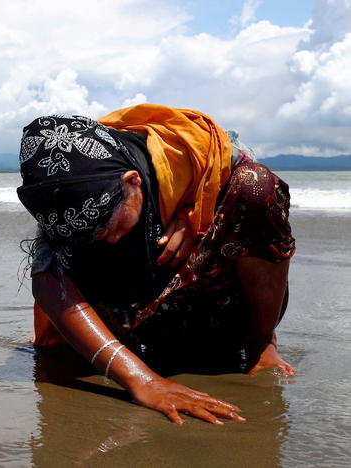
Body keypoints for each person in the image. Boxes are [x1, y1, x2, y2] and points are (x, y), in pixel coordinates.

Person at [17, 105, 296, 425]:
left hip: (215, 309)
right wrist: (141, 380)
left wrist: (196, 208)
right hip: (133, 320)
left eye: (107, 226)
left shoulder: (206, 160)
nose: (106, 240)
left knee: (255, 187)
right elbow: (48, 278)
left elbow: (250, 195)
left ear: (132, 181)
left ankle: (261, 342)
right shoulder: (67, 191)